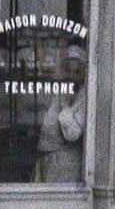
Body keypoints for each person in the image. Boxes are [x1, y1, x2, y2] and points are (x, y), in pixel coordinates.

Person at [35, 41, 87, 183]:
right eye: (68, 71)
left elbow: (72, 134)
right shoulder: (60, 92)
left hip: (66, 165)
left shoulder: (84, 98)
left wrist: (66, 106)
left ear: (83, 75)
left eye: (77, 72)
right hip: (47, 160)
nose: (71, 76)